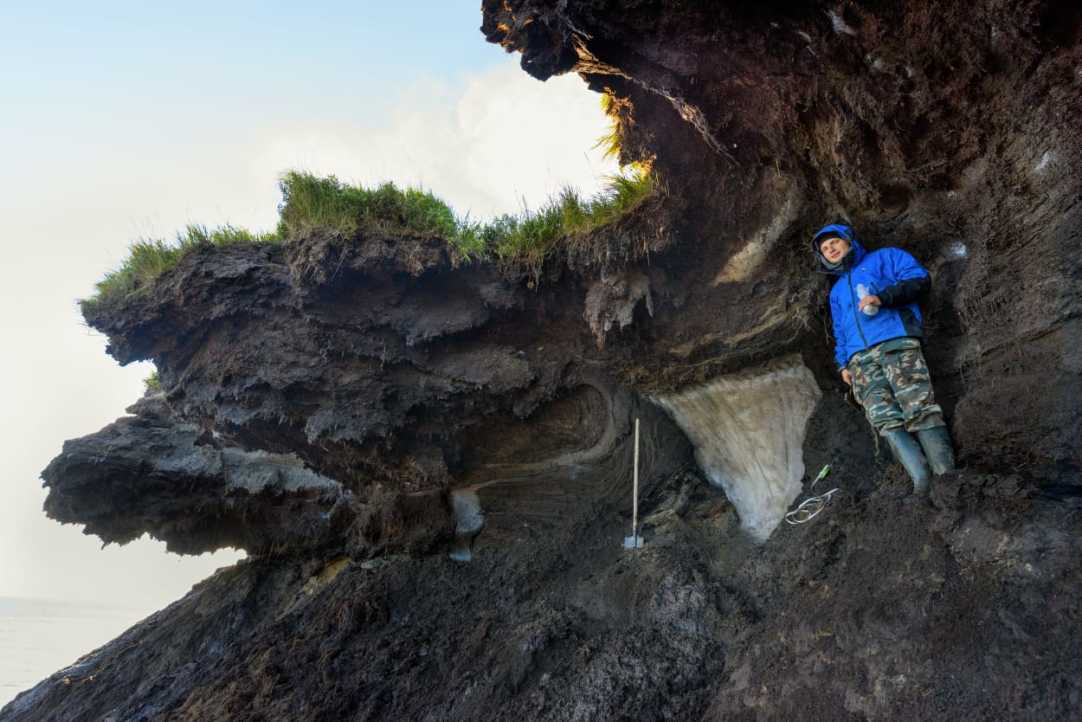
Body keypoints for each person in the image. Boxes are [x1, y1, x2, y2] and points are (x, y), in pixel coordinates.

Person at [812, 223, 955, 494]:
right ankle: (921, 482)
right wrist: (843, 362)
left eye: (834, 243)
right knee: (884, 418)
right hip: (859, 361)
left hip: (895, 341)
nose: (830, 249)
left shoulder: (885, 257)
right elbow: (840, 331)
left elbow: (919, 279)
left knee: (918, 405)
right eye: (824, 249)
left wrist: (882, 298)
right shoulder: (836, 291)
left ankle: (946, 477)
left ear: (848, 241)